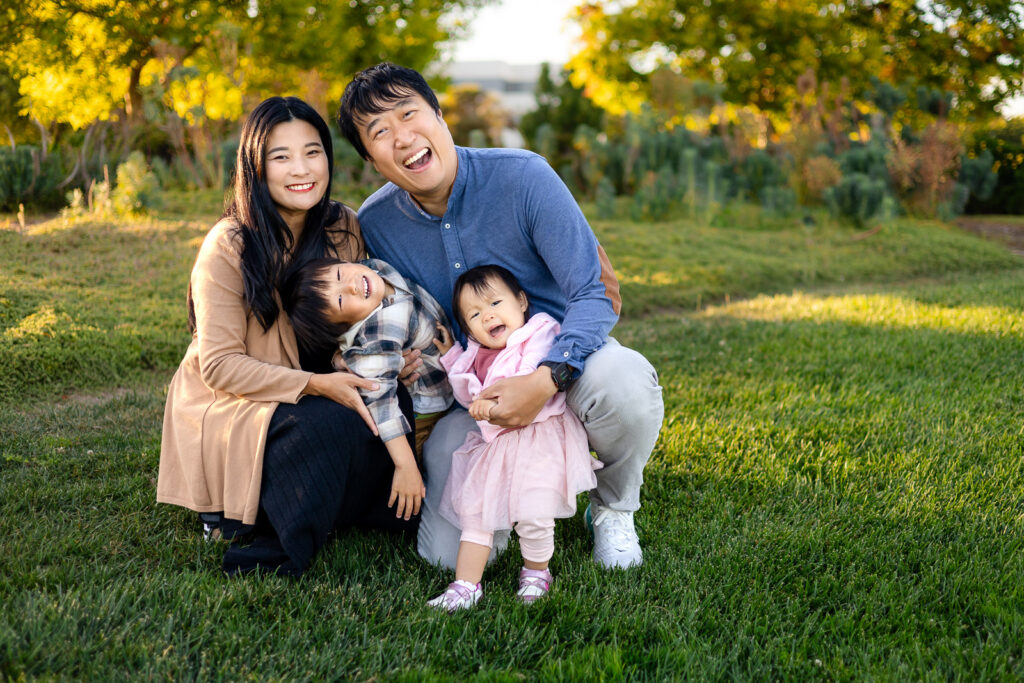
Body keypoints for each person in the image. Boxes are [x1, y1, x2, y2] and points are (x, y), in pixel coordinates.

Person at [336, 63, 664, 571]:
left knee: (624, 385)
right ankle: (518, 503)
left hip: (559, 360)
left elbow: (594, 290)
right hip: (470, 395)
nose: (403, 138)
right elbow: (374, 310)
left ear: (440, 116)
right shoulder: (376, 223)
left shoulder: (523, 176)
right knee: (450, 559)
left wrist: (545, 379)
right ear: (370, 158)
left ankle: (612, 507)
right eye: (380, 132)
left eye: (410, 114)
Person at [158, 96, 420, 578]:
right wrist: (318, 385)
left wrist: (380, 359)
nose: (302, 169)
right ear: (256, 167)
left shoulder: (342, 225)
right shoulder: (230, 244)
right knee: (318, 427)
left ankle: (332, 505)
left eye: (313, 152)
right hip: (241, 401)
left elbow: (360, 316)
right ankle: (258, 534)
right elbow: (218, 367)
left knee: (389, 402)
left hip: (320, 381)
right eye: (281, 157)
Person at [426, 265, 601, 611]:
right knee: (475, 513)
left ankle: (536, 573)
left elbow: (527, 379)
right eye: (475, 314)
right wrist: (452, 358)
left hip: (539, 438)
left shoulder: (538, 332)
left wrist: (490, 407)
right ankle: (466, 585)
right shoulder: (476, 354)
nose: (488, 315)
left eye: (495, 303)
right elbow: (468, 395)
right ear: (469, 330)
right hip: (497, 447)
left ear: (521, 301)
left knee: (535, 513)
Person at [280, 256, 454, 459]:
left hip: (446, 368)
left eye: (339, 274)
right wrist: (404, 464)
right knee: (423, 461)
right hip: (425, 405)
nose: (351, 286)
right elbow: (381, 401)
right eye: (340, 300)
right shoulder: (378, 334)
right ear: (346, 325)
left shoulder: (373, 269)